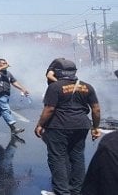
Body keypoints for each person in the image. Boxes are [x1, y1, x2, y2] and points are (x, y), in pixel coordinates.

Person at [34, 58, 101, 195]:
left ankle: (62, 192)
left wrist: (40, 124)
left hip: (59, 126)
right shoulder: (87, 86)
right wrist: (95, 128)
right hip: (82, 126)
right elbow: (96, 109)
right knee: (77, 157)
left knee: (57, 158)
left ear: (57, 72)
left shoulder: (55, 87)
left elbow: (49, 109)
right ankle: (76, 190)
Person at [0, 58, 29, 134]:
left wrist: (23, 89)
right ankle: (13, 128)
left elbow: (14, 82)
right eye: (3, 63)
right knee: (5, 109)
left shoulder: (8, 73)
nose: (6, 64)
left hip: (5, 94)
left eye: (6, 63)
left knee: (0, 110)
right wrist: (1, 68)